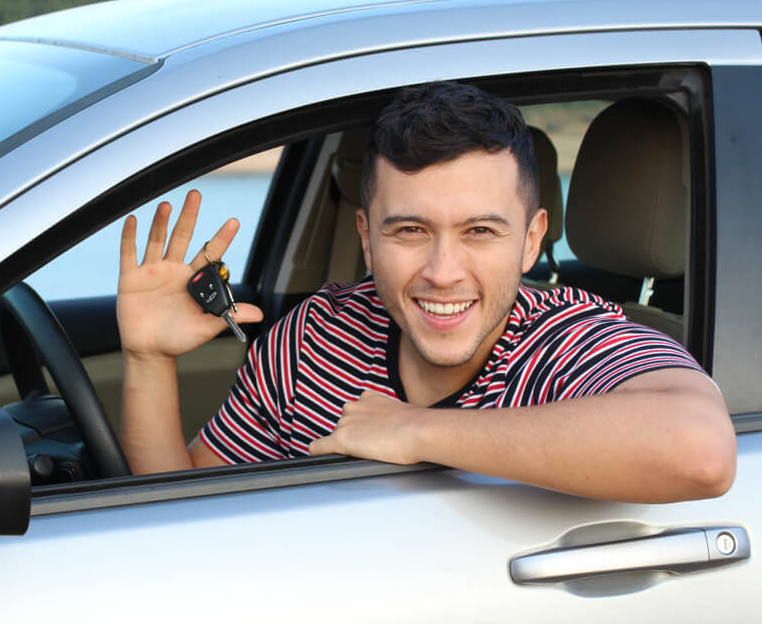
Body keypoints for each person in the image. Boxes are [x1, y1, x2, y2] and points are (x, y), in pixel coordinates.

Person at [116, 82, 736, 503]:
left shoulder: (570, 341)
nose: (443, 271)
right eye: (410, 230)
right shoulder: (316, 335)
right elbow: (183, 504)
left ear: (531, 239)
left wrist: (415, 432)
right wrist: (148, 361)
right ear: (367, 235)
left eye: (480, 232)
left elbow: (700, 449)